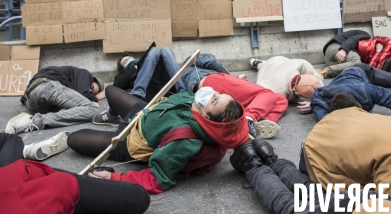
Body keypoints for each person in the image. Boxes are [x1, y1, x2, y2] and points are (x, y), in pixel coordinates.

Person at [231, 96, 391, 213]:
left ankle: (269, 159)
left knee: (308, 192)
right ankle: (256, 164)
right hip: (319, 155)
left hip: (331, 131)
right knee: (295, 204)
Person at [69, 86, 249, 195]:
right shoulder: (198, 105)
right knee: (110, 90)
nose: (212, 94)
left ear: (207, 116)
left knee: (74, 139)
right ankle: (111, 117)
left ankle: (117, 129)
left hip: (132, 142)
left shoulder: (185, 140)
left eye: (215, 99)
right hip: (143, 114)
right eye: (218, 93)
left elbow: (158, 179)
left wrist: (115, 178)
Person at [0, 132, 150, 214]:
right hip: (6, 183)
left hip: (17, 179)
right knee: (137, 197)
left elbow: (63, 184)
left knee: (137, 197)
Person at [177, 53, 286, 138]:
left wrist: (235, 79)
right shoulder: (191, 65)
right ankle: (249, 118)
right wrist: (230, 76)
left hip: (207, 88)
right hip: (211, 80)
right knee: (268, 95)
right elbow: (207, 60)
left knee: (280, 99)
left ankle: (257, 119)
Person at [5, 66, 105, 134]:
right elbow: (83, 94)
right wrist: (98, 97)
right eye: (91, 87)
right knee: (92, 108)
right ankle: (34, 121)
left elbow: (23, 99)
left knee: (70, 109)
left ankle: (30, 118)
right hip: (47, 86)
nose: (90, 90)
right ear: (93, 80)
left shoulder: (67, 77)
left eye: (92, 92)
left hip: (32, 101)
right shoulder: (85, 74)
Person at [110, 43, 179, 105]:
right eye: (126, 61)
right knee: (154, 50)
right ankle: (138, 94)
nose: (130, 60)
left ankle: (182, 91)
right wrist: (134, 68)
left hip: (166, 87)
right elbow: (117, 84)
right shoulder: (126, 75)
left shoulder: (146, 64)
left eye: (131, 58)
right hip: (151, 95)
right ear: (123, 68)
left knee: (165, 49)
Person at [249, 55, 324, 103]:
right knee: (262, 67)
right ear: (296, 92)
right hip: (266, 72)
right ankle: (257, 63)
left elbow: (320, 85)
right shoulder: (276, 90)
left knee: (320, 76)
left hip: (279, 61)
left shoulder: (303, 64)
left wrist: (313, 101)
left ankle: (259, 63)